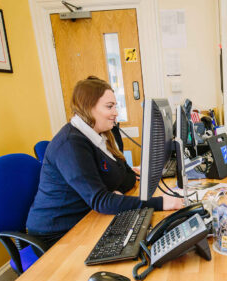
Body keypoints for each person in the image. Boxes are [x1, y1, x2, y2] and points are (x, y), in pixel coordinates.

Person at [26, 76, 183, 247]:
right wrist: (161, 203)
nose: (116, 112)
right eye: (109, 106)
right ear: (87, 108)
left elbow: (126, 178)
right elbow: (102, 201)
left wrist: (113, 194)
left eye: (115, 106)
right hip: (57, 232)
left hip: (88, 217)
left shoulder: (101, 135)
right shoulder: (71, 144)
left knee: (143, 235)